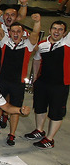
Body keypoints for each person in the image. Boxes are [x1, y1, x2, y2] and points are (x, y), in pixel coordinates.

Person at [0, 15, 40, 145]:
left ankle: (12, 134)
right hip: (2, 79)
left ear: (23, 33)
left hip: (17, 84)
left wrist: (37, 22)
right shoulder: (5, 41)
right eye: (13, 31)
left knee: (16, 109)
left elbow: (36, 33)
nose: (15, 34)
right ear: (9, 32)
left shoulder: (28, 45)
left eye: (18, 32)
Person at [27, 20, 70, 149]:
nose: (56, 32)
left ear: (65, 33)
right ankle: (39, 130)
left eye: (60, 29)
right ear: (50, 30)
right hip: (42, 82)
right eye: (54, 28)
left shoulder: (66, 43)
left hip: (60, 85)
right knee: (39, 107)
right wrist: (35, 79)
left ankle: (49, 139)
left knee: (56, 112)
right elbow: (36, 60)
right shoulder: (42, 44)